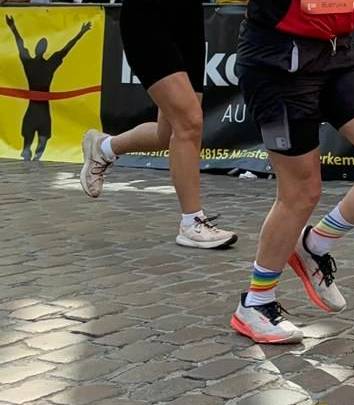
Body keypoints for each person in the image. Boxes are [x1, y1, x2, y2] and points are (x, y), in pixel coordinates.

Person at [230, 0, 354, 343]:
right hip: (276, 62)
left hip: (337, 53)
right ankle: (255, 303)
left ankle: (312, 245)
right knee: (300, 193)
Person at [79, 0, 236, 249]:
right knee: (189, 122)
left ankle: (105, 147)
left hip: (188, 20)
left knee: (170, 132)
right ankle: (191, 222)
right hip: (148, 20)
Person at [6, 16, 90, 161]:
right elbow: (20, 44)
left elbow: (66, 49)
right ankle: (30, 152)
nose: (40, 46)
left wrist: (81, 33)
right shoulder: (41, 63)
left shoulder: (34, 63)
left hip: (38, 109)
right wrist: (12, 27)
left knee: (40, 140)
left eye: (41, 45)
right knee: (33, 141)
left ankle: (33, 153)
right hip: (38, 109)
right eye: (40, 44)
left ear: (41, 49)